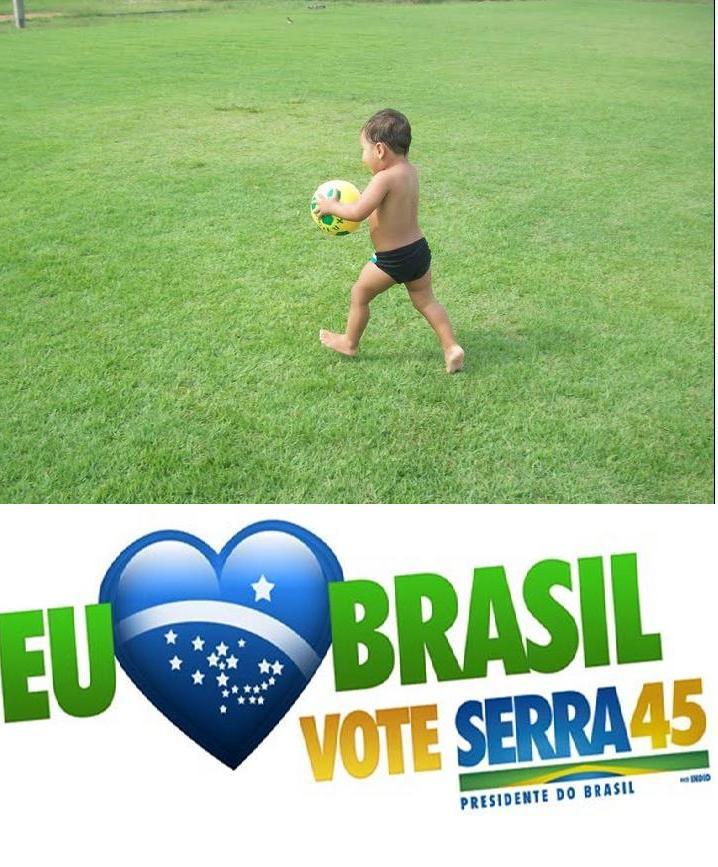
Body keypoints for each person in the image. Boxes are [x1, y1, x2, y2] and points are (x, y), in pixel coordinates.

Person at [315, 108, 465, 373]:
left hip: (392, 259)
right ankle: (451, 347)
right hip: (419, 251)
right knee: (426, 300)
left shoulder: (383, 179)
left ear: (380, 150)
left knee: (359, 293)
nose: (363, 157)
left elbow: (358, 212)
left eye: (364, 150)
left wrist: (331, 207)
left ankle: (349, 342)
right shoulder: (410, 171)